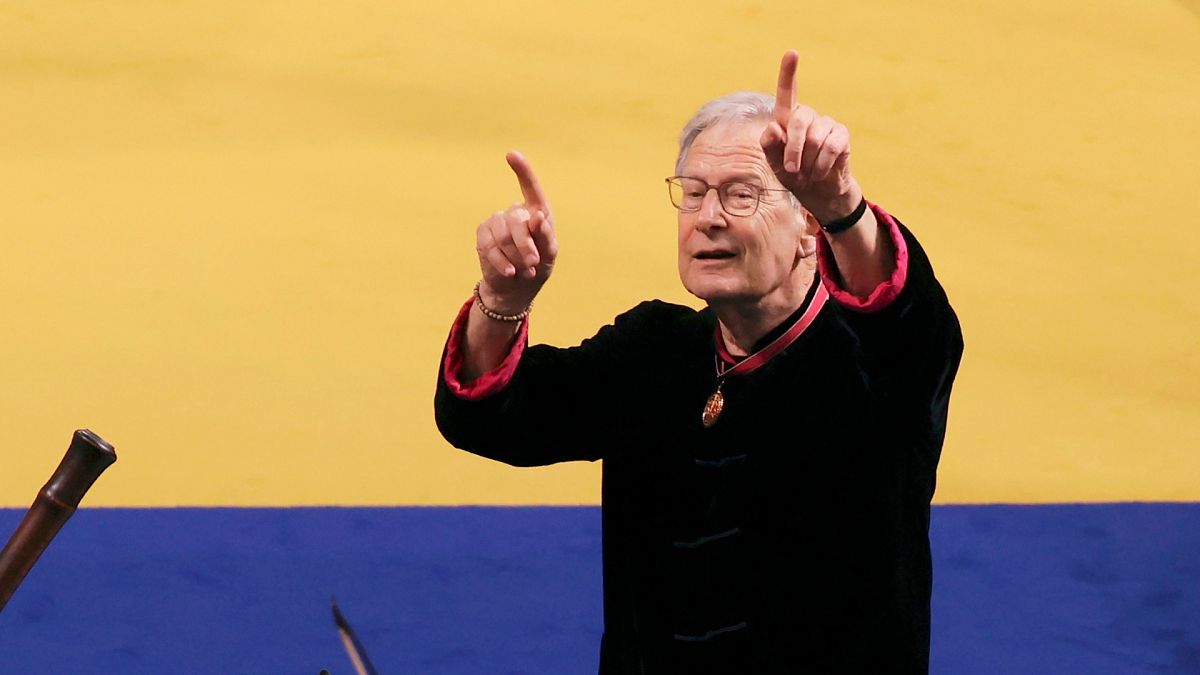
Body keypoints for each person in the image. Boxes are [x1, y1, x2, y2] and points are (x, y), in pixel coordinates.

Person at [434, 50, 963, 674]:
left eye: (741, 195)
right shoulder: (652, 350)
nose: (708, 217)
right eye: (693, 193)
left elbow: (910, 329)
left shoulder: (871, 369)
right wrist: (502, 299)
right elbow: (493, 417)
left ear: (806, 231)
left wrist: (844, 209)